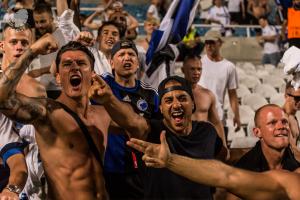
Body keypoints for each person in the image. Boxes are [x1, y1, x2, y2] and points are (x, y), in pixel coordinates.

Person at [0, 37, 112, 199]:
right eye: (67, 64)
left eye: (81, 63)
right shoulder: (47, 113)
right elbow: (3, 98)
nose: (75, 68)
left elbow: (140, 127)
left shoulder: (105, 113)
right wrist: (32, 52)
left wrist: (111, 100)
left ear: (93, 74)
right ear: (58, 78)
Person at [90, 75, 223, 200]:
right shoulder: (150, 132)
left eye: (182, 98)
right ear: (160, 108)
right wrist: (109, 99)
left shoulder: (207, 131)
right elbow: (132, 121)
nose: (176, 105)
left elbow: (223, 157)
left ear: (193, 104)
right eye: (168, 100)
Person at [126, 117, 300, 200]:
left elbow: (226, 176)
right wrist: (170, 160)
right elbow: (226, 176)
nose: (280, 127)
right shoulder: (291, 181)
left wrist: (171, 161)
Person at [100, 40, 159, 200]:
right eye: (121, 55)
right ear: (111, 63)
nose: (127, 58)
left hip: (141, 170)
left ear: (138, 63)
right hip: (107, 169)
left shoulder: (150, 94)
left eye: (131, 54)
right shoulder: (101, 87)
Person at [0, 23, 46, 199]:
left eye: (24, 43)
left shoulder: (37, 88)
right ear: (2, 45)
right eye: (13, 42)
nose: (19, 47)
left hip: (28, 166)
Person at [226, 104, 300, 200]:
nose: (281, 126)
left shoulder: (297, 162)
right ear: (257, 132)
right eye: (272, 122)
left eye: (284, 122)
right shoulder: (244, 171)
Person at [181, 55, 228, 159]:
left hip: (203, 143)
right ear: (183, 70)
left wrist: (224, 146)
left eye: (199, 69)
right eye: (192, 69)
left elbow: (216, 122)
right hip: (183, 144)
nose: (196, 72)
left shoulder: (208, 94)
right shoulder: (175, 94)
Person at [198, 30, 241, 139]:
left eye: (212, 42)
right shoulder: (198, 63)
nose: (209, 46)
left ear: (220, 43)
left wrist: (237, 115)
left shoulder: (229, 67)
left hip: (218, 116)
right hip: (199, 117)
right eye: (207, 43)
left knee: (219, 152)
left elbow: (232, 95)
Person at [283, 81, 300, 161]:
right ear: (286, 96)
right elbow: (292, 149)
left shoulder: (294, 118)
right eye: (297, 98)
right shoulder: (282, 118)